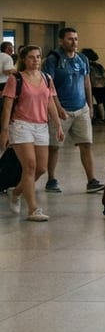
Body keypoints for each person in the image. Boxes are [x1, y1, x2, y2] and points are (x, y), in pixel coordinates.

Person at [0, 45, 64, 221]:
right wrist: (4, 131)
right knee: (29, 166)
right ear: (23, 60)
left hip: (41, 126)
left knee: (41, 169)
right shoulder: (16, 79)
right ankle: (33, 209)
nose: (35, 60)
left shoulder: (46, 78)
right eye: (31, 57)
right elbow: (7, 106)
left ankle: (16, 191)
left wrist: (58, 125)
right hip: (21, 126)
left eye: (37, 57)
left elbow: (50, 102)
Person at [42, 27, 103, 195]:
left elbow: (86, 83)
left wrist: (90, 106)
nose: (74, 42)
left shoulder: (82, 59)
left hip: (81, 108)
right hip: (61, 109)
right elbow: (49, 86)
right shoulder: (53, 59)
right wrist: (58, 108)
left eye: (76, 39)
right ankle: (51, 179)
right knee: (54, 146)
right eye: (70, 39)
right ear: (61, 41)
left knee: (86, 144)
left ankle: (91, 180)